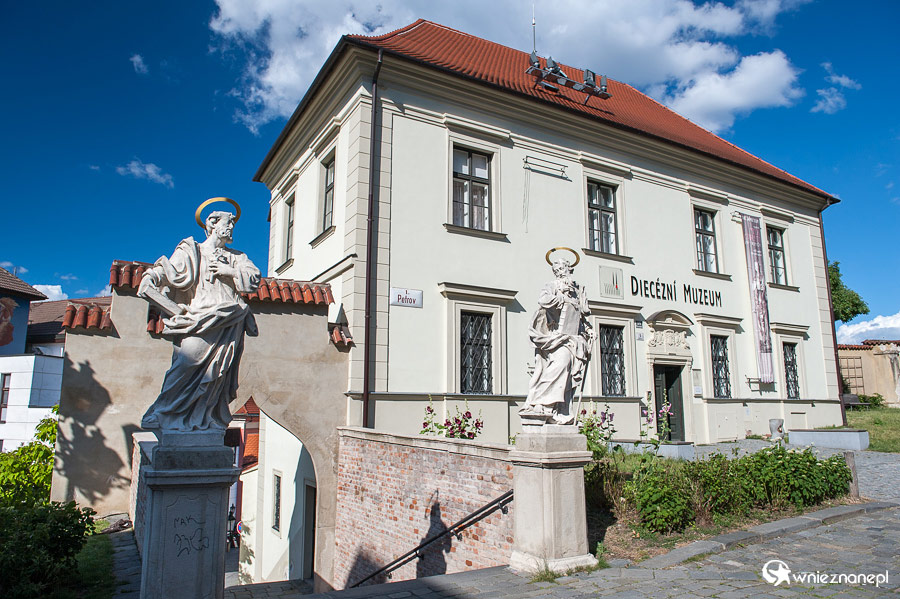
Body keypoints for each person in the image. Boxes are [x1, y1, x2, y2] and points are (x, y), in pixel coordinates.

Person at [138, 210, 260, 432]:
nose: (232, 227)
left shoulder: (238, 257)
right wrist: (152, 277)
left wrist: (229, 270)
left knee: (217, 376)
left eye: (233, 224)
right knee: (186, 363)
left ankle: (205, 418)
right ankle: (163, 412)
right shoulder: (192, 250)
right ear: (212, 224)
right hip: (199, 319)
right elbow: (168, 272)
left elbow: (251, 282)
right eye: (228, 223)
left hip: (229, 321)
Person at [519, 258, 594, 425]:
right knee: (561, 362)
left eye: (563, 268)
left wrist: (589, 330)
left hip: (573, 338)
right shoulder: (551, 286)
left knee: (567, 373)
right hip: (555, 338)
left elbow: (582, 316)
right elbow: (543, 300)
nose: (561, 272)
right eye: (557, 269)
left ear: (569, 269)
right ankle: (541, 403)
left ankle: (560, 411)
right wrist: (561, 298)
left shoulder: (578, 290)